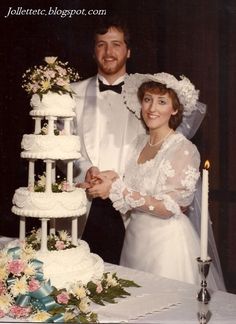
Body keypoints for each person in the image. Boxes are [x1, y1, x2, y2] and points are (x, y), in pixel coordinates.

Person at [71, 16, 206, 265]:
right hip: (87, 207)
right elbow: (65, 148)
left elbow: (173, 198)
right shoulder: (72, 93)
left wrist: (116, 189)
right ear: (93, 51)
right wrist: (87, 172)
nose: (109, 52)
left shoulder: (143, 96)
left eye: (116, 44)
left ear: (128, 50)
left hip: (132, 218)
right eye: (101, 44)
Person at [86, 72, 225, 290]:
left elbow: (171, 207)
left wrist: (117, 190)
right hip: (135, 240)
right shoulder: (138, 142)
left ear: (175, 109)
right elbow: (131, 182)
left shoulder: (184, 149)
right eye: (148, 99)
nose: (152, 108)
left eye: (162, 102)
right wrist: (104, 177)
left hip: (166, 246)